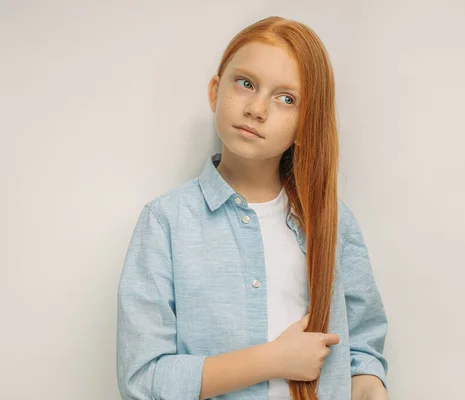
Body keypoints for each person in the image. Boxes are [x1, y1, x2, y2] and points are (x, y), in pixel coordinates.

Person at [116, 16, 388, 400]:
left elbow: (361, 351)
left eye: (286, 98)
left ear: (304, 122)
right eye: (245, 83)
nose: (257, 109)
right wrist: (274, 359)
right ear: (215, 91)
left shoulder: (334, 223)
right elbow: (141, 379)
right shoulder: (165, 223)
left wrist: (370, 385)